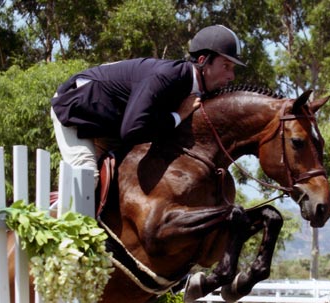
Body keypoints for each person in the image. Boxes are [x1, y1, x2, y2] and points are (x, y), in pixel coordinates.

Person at [50, 24, 245, 184]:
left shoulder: (194, 89)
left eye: (233, 68)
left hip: (111, 122)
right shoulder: (167, 77)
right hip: (77, 109)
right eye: (225, 66)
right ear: (203, 61)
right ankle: (49, 224)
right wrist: (178, 116)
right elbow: (133, 129)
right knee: (88, 178)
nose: (231, 76)